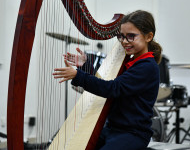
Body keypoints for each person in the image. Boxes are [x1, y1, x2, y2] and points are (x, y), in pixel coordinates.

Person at [53, 10, 162, 150]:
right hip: (114, 129)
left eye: (131, 36)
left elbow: (112, 88)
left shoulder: (147, 67)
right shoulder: (132, 61)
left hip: (133, 134)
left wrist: (78, 75)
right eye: (121, 37)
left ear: (148, 37)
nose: (124, 41)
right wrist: (86, 66)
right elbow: (109, 84)